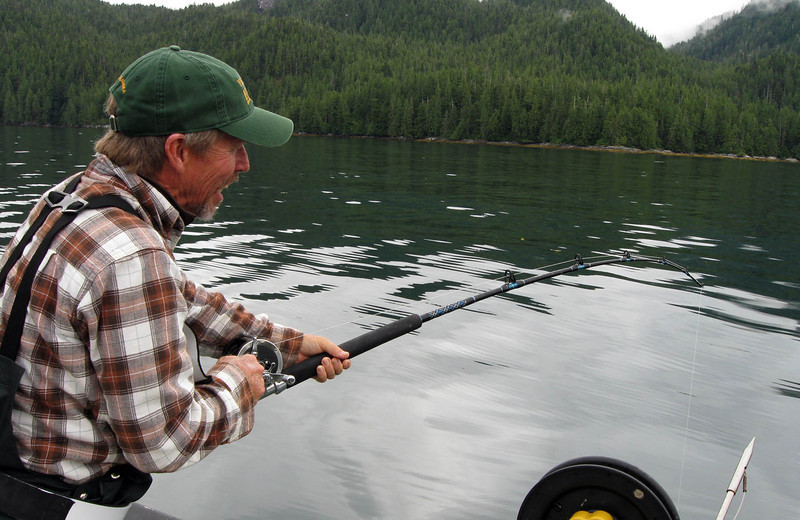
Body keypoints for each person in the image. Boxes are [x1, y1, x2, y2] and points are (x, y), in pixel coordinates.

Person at [0, 46, 350, 519]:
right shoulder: (133, 256)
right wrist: (242, 381)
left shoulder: (72, 199)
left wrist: (287, 344)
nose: (246, 164)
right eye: (234, 146)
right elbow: (164, 441)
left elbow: (177, 296)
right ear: (179, 151)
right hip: (52, 504)